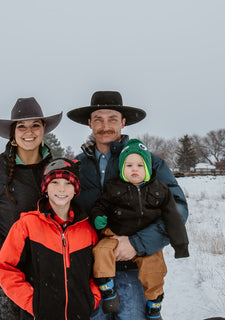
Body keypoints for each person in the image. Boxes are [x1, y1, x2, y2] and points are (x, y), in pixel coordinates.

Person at [67, 91, 189, 320]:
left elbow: (178, 209)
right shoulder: (76, 166)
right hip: (91, 272)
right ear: (89, 123)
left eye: (112, 118)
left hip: (135, 268)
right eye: (98, 119)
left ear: (123, 122)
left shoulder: (147, 163)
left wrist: (137, 243)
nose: (105, 126)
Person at [0, 97, 62, 320]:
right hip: (4, 273)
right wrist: (3, 250)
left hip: (47, 271)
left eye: (36, 125)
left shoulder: (56, 171)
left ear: (44, 129)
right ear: (12, 132)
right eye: (21, 126)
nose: (29, 131)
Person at [91, 138, 190, 317]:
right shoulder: (114, 188)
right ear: (121, 169)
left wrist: (181, 245)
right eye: (128, 166)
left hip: (144, 242)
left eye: (140, 165)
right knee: (101, 251)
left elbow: (173, 216)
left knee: (154, 268)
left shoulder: (159, 190)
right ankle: (107, 290)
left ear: (149, 168)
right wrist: (98, 217)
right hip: (115, 235)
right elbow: (100, 205)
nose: (134, 169)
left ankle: (154, 303)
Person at [0, 158, 101, 320]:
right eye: (55, 183)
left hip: (80, 315)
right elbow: (6, 268)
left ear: (75, 190)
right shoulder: (27, 225)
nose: (62, 189)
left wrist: (91, 299)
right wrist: (33, 303)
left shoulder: (87, 229)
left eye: (68, 183)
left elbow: (97, 272)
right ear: (45, 188)